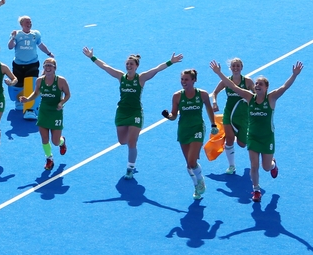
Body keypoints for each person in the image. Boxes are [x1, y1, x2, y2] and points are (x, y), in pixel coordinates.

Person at [210, 60, 303, 202]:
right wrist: (218, 73)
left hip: (267, 138)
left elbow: (285, 87)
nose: (257, 85)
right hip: (252, 137)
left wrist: (294, 75)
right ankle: (256, 190)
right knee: (254, 165)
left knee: (266, 167)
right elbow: (232, 86)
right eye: (257, 83)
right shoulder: (249, 97)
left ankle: (273, 164)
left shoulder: (271, 98)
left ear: (266, 87)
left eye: (261, 84)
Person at [83, 48, 183, 179]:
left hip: (135, 113)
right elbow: (105, 67)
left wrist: (171, 61)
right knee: (122, 141)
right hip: (122, 112)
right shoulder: (120, 76)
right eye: (127, 64)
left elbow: (157, 69)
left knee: (131, 142)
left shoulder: (141, 78)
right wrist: (92, 57)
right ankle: (131, 151)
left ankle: (130, 168)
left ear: (136, 66)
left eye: (132, 64)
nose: (129, 66)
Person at [162, 69, 217, 199]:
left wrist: (213, 124)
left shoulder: (202, 94)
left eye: (186, 79)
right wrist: (168, 116)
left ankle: (200, 181)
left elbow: (209, 108)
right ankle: (196, 187)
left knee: (192, 161)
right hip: (183, 130)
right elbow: (174, 115)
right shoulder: (177, 96)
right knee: (189, 164)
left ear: (194, 80)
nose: (183, 82)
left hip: (197, 128)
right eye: (182, 79)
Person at [19, 58, 70, 170]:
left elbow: (67, 94)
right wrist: (27, 99)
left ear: (54, 68)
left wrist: (61, 102)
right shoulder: (39, 81)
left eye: (50, 66)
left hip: (56, 112)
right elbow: (36, 92)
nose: (48, 68)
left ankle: (62, 142)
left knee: (55, 142)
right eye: (46, 65)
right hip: (43, 112)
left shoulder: (61, 81)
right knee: (44, 138)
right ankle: (49, 159)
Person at [210, 58, 255, 174]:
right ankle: (231, 166)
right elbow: (214, 93)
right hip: (229, 113)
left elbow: (256, 96)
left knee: (242, 144)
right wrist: (214, 102)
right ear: (230, 68)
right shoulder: (226, 81)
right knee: (229, 140)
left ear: (241, 68)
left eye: (238, 66)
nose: (235, 68)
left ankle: (242, 134)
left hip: (243, 115)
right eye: (233, 66)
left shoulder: (248, 81)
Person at [7, 16, 54, 118]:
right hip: (18, 64)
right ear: (22, 24)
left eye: (30, 22)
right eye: (27, 22)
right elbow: (10, 46)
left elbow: (40, 45)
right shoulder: (17, 34)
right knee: (19, 85)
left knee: (31, 84)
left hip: (32, 64)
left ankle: (30, 109)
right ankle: (19, 101)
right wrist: (12, 38)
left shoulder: (35, 34)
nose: (29, 24)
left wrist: (48, 53)